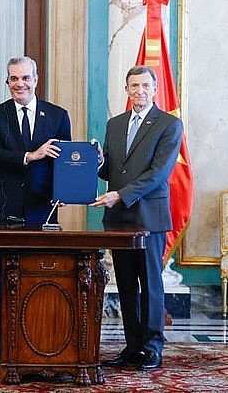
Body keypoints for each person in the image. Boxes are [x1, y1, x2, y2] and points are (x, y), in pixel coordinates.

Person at [0, 56, 72, 364]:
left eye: (25, 78)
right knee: (0, 279)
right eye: (13, 79)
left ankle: (38, 342)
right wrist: (32, 155)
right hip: (4, 207)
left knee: (39, 276)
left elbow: (66, 161)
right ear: (7, 82)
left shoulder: (57, 115)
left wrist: (67, 191)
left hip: (42, 209)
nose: (20, 84)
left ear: (36, 79)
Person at [91, 65, 183, 371]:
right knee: (126, 284)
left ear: (155, 89)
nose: (139, 91)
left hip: (149, 216)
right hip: (118, 217)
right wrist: (95, 160)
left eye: (145, 85)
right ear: (127, 89)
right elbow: (110, 170)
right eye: (133, 86)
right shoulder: (114, 125)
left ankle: (153, 347)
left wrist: (119, 194)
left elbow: (159, 174)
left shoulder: (169, 125)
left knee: (151, 283)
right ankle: (132, 348)